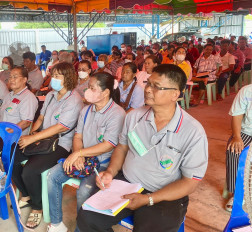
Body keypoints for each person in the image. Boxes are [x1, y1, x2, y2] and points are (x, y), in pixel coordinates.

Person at [77, 64, 208, 232]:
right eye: (148, 83)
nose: (147, 89)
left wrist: (149, 199)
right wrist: (110, 172)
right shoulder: (134, 116)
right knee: (87, 218)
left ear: (175, 94)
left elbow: (190, 183)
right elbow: (122, 148)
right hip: (127, 183)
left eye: (156, 86)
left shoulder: (192, 132)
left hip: (164, 195)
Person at [47, 72, 126, 232]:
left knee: (83, 191)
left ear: (105, 93)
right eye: (87, 87)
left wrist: (79, 154)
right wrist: (78, 154)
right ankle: (57, 224)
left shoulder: (117, 114)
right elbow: (78, 137)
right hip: (83, 158)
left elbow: (108, 145)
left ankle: (80, 229)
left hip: (103, 164)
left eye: (91, 88)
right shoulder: (86, 111)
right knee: (53, 176)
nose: (86, 91)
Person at [12, 62, 83, 229]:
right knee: (12, 157)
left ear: (68, 78)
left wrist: (31, 139)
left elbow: (60, 127)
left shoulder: (74, 100)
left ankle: (37, 208)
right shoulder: (51, 94)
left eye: (58, 76)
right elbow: (41, 119)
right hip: (42, 140)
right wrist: (32, 134)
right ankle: (28, 194)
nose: (54, 79)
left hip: (60, 143)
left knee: (30, 169)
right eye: (53, 75)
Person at [0, 67, 38, 156]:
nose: (11, 80)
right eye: (10, 77)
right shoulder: (9, 96)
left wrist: (5, 134)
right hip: (0, 134)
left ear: (24, 80)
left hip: (13, 138)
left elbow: (26, 122)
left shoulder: (28, 97)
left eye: (15, 77)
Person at [225, 84, 252, 212]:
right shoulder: (247, 91)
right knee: (234, 151)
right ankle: (236, 194)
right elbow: (237, 115)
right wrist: (236, 136)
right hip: (246, 132)